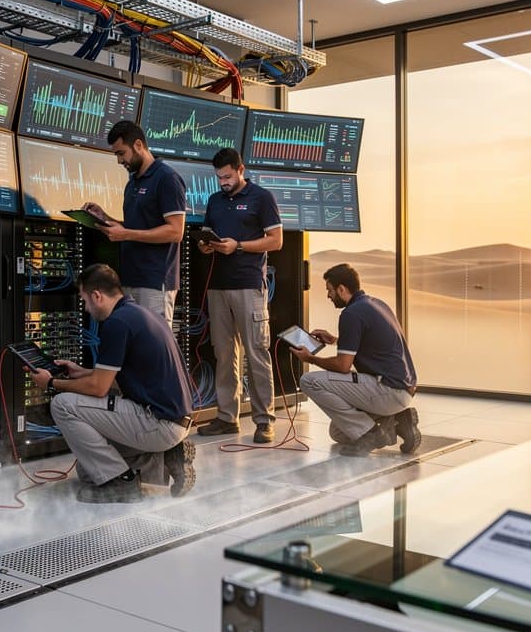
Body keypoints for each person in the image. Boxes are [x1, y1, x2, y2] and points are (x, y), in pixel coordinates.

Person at [27, 264, 196, 503]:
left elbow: (99, 388)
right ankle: (167, 457)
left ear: (97, 295)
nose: (85, 308)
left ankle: (122, 484)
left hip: (159, 424)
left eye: (85, 300)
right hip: (175, 421)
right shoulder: (140, 313)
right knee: (88, 471)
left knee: (62, 405)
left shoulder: (117, 324)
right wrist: (81, 373)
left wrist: (52, 382)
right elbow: (114, 377)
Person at [195, 148, 283, 444]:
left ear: (241, 169)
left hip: (248, 286)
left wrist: (240, 246)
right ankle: (226, 418)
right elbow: (207, 234)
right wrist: (206, 245)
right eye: (219, 177)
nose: (223, 182)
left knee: (256, 353)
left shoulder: (262, 198)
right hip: (218, 287)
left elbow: (276, 240)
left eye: (228, 176)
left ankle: (264, 421)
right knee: (224, 355)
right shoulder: (214, 201)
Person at [289, 263, 420, 454]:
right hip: (403, 391)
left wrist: (310, 359)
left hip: (389, 390)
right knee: (338, 432)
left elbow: (343, 366)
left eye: (330, 290)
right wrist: (335, 340)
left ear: (342, 289)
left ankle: (371, 433)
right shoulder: (375, 304)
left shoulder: (351, 314)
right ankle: (397, 421)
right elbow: (371, 341)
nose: (328, 295)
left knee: (308, 381)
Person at [83, 120, 186, 328]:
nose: (120, 161)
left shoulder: (167, 178)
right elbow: (135, 225)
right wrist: (105, 218)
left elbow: (176, 231)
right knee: (136, 347)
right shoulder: (133, 182)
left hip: (155, 282)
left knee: (154, 347)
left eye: (122, 153)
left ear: (138, 145)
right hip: (131, 278)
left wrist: (126, 234)